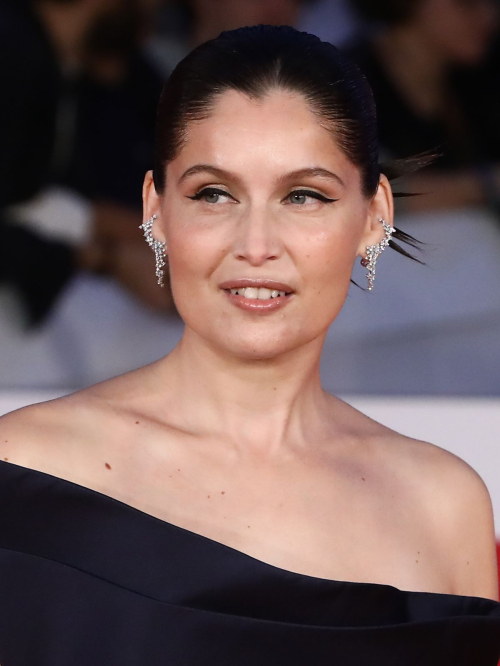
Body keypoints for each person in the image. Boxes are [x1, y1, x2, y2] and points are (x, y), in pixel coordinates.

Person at [0, 25, 499, 665]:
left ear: (374, 216)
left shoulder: (441, 504)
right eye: (214, 193)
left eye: (304, 196)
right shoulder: (29, 471)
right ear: (156, 210)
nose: (256, 244)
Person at [347, 0, 500, 214]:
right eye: (466, 4)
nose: (489, 16)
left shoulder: (482, 80)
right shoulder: (342, 83)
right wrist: (483, 185)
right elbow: (357, 193)